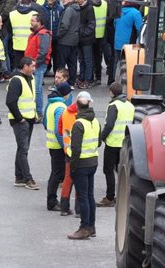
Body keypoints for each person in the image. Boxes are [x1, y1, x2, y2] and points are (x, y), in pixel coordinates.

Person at [67, 94, 101, 239]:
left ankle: (84, 227)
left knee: (83, 197)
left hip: (81, 164)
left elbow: (75, 148)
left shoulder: (79, 124)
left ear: (77, 107)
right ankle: (91, 227)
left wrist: (72, 167)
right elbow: (99, 142)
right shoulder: (95, 121)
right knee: (90, 195)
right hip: (93, 161)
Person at [98, 82, 135, 207]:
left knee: (108, 170)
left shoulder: (113, 105)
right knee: (122, 171)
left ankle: (110, 197)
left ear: (111, 92)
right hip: (125, 143)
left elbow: (109, 125)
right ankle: (124, 195)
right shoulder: (130, 105)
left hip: (113, 143)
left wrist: (101, 138)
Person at [6, 56, 38, 190]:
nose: (34, 69)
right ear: (25, 66)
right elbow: (10, 102)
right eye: (32, 66)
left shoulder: (31, 78)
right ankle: (27, 179)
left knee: (22, 148)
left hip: (29, 118)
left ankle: (19, 177)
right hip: (21, 121)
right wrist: (20, 118)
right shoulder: (16, 81)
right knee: (24, 150)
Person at [44, 82, 72, 211]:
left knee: (55, 172)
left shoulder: (51, 104)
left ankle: (52, 199)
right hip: (58, 146)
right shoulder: (61, 107)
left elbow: (45, 122)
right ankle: (51, 201)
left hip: (51, 144)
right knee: (57, 174)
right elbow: (58, 130)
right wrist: (65, 147)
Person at [24, 13, 51, 119]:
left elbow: (43, 52)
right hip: (34, 65)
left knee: (37, 90)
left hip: (37, 65)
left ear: (39, 23)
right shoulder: (37, 34)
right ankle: (36, 112)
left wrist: (33, 64)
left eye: (33, 20)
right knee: (34, 89)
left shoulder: (43, 34)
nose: (31, 22)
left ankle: (39, 113)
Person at [56, 0, 80, 87]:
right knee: (72, 62)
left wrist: (59, 35)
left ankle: (60, 83)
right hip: (74, 40)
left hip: (65, 40)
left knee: (62, 63)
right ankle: (71, 82)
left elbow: (65, 25)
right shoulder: (77, 9)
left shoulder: (69, 10)